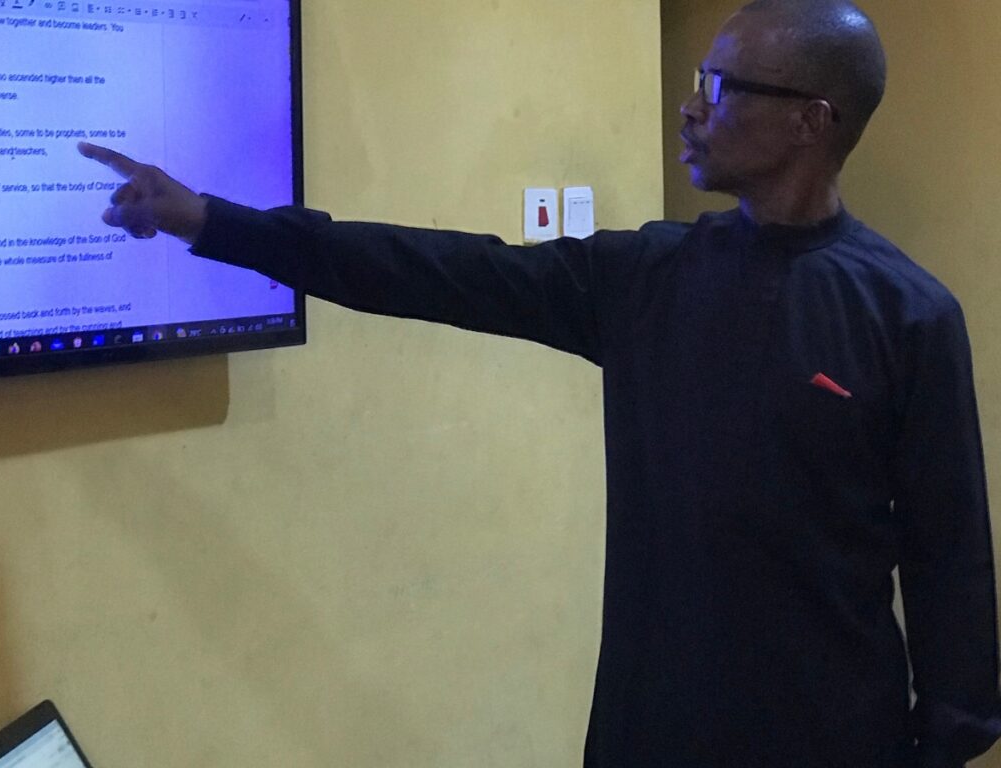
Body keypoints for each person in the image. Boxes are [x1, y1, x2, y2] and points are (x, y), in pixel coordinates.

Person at [79, 0, 1001, 765]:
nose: (691, 109)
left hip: (833, 743)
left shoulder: (908, 316)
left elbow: (949, 564)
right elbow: (432, 270)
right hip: (651, 737)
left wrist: (942, 748)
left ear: (812, 119)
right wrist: (210, 220)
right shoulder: (646, 279)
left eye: (718, 88)